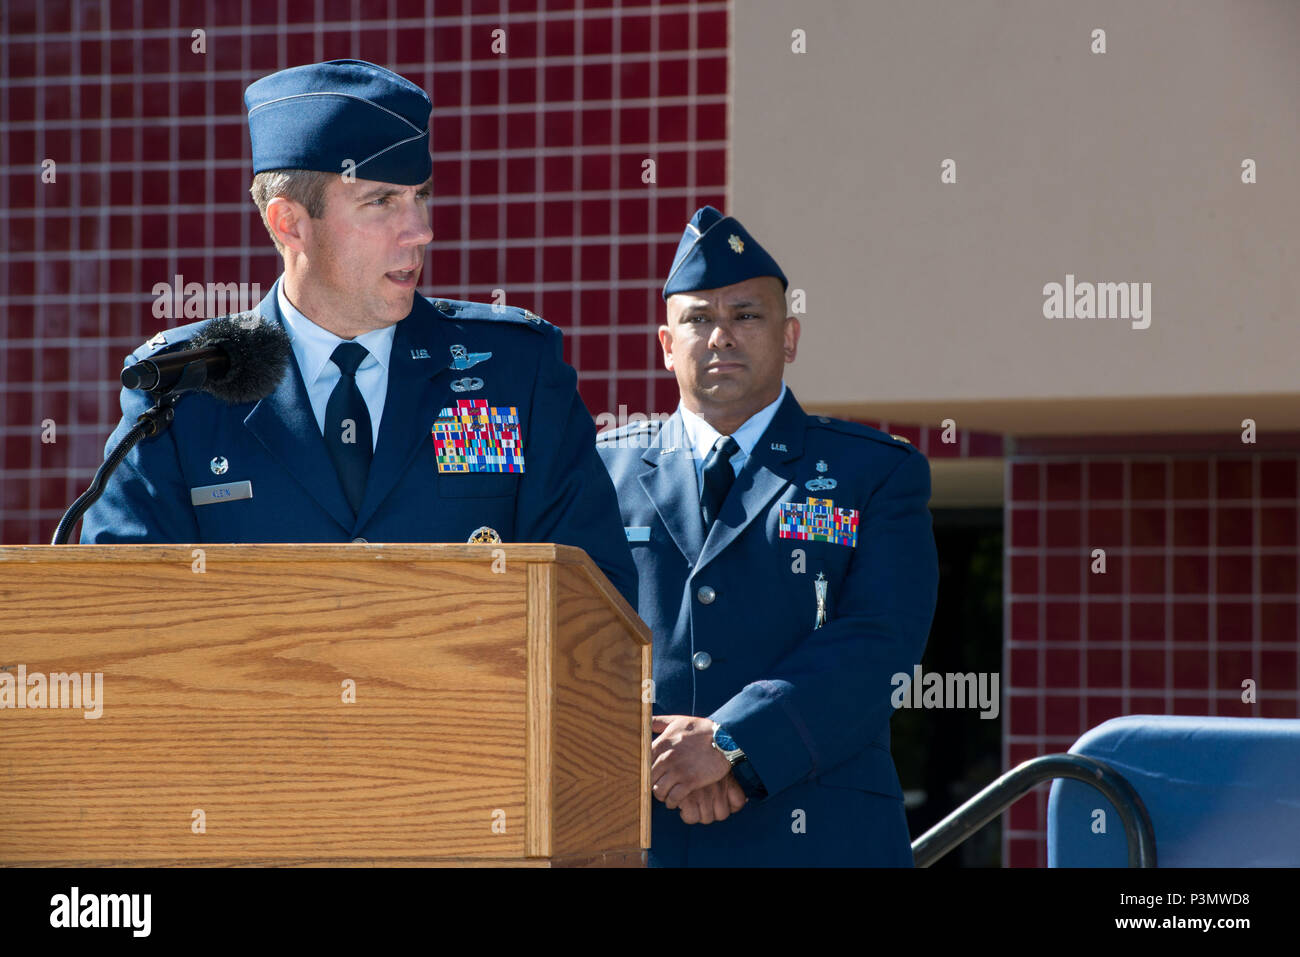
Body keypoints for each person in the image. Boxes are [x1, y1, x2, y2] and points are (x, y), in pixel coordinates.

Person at [81, 59, 637, 608]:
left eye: (420, 194)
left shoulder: (515, 370)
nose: (421, 230)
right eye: (381, 202)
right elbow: (124, 608)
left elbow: (596, 597)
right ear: (290, 224)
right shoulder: (184, 386)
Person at [597, 206, 938, 865]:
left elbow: (878, 645)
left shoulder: (871, 473)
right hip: (643, 831)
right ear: (667, 345)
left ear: (790, 338)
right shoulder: (599, 472)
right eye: (698, 318)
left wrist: (731, 742)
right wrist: (656, 750)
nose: (720, 335)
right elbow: (563, 633)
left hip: (818, 837)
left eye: (746, 315)